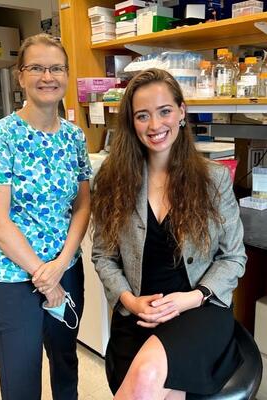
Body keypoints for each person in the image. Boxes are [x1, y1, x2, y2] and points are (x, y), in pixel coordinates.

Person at [91, 68, 246, 400]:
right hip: (138, 315)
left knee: (147, 375)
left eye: (164, 111)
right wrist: (130, 301)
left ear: (181, 112)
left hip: (198, 309)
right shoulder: (113, 180)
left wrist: (192, 297)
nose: (154, 125)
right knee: (166, 389)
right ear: (132, 123)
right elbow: (103, 257)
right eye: (142, 116)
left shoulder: (213, 179)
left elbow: (233, 258)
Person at [0, 33, 92, 400]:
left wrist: (61, 264)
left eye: (57, 67)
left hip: (66, 268)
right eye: (37, 68)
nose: (48, 76)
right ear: (20, 75)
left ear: (66, 74)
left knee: (65, 364)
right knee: (21, 378)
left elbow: (82, 205)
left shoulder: (75, 137)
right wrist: (44, 277)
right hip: (12, 277)